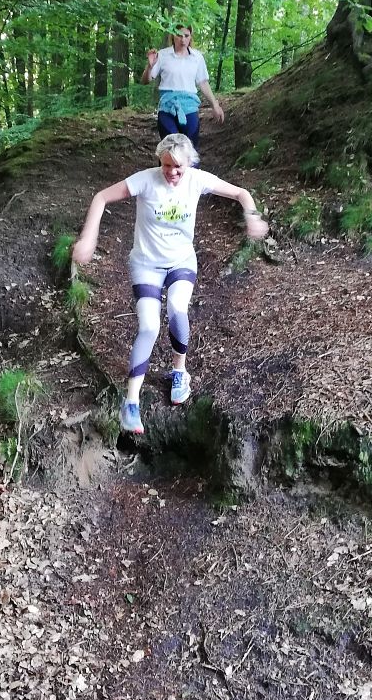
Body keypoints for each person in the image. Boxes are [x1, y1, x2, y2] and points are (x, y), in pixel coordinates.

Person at [72, 132, 268, 434]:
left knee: (177, 307)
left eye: (179, 167)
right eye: (167, 166)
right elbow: (101, 197)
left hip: (181, 261)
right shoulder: (145, 180)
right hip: (146, 264)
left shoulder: (197, 180)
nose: (172, 173)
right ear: (159, 161)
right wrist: (89, 238)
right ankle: (131, 402)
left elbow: (241, 193)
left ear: (189, 163)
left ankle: (179, 371)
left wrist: (252, 217)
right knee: (149, 326)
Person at [141, 24, 224, 149]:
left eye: (186, 36)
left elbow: (203, 83)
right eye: (179, 35)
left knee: (189, 149)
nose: (183, 39)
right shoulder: (162, 55)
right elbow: (146, 80)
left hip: (189, 108)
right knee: (170, 148)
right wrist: (149, 67)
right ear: (173, 36)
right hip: (167, 107)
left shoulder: (197, 57)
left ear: (190, 37)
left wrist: (215, 106)